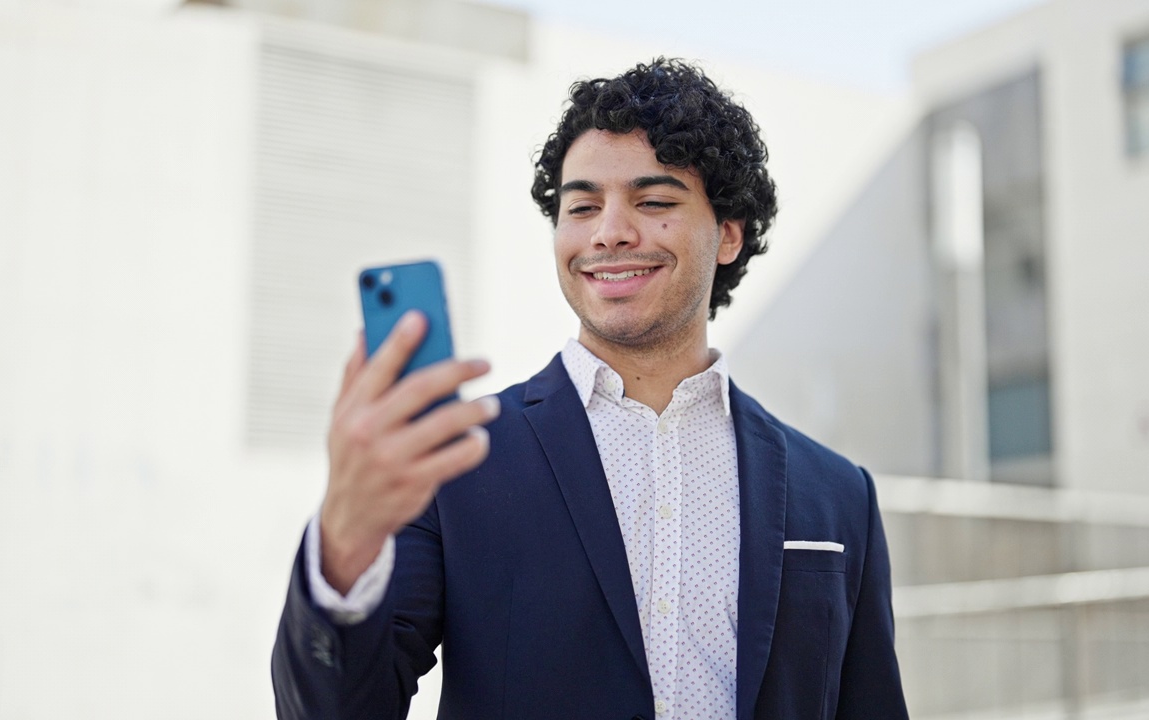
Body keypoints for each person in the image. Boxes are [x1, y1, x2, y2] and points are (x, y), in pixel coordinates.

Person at [272, 58, 908, 720]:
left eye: (654, 201)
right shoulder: (456, 459)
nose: (609, 231)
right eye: (582, 206)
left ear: (727, 234)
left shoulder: (837, 495)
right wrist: (345, 543)